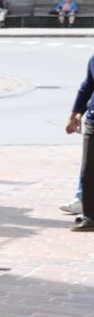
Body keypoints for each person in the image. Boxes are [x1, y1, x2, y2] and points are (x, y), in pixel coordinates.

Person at [65, 59, 94, 229]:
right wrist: (75, 114)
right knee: (88, 171)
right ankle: (90, 217)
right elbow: (88, 87)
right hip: (92, 122)